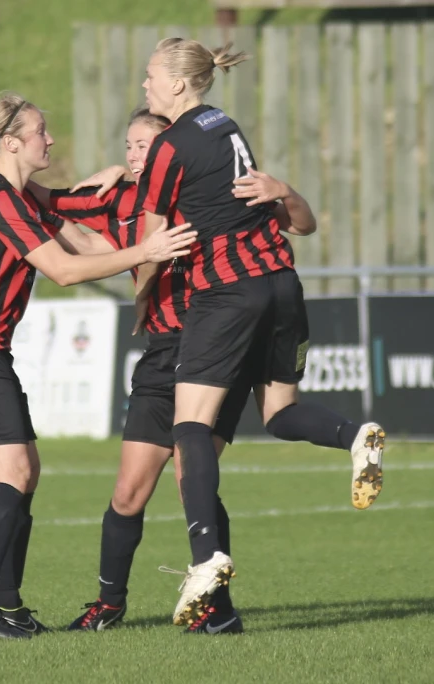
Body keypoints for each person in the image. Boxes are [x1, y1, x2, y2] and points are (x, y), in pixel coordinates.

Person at [0, 107, 248, 635]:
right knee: (11, 475)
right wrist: (145, 249)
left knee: (24, 475)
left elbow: (92, 242)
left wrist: (136, 235)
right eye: (40, 133)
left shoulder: (9, 196)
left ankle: (6, 609)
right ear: (11, 143)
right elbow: (62, 269)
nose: (51, 140)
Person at [129, 38, 385, 626]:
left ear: (176, 84)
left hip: (228, 293)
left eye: (149, 77)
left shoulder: (170, 144)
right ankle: (354, 435)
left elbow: (152, 237)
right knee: (278, 413)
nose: (144, 87)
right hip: (281, 284)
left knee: (189, 425)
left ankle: (205, 558)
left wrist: (142, 290)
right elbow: (265, 210)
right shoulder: (225, 124)